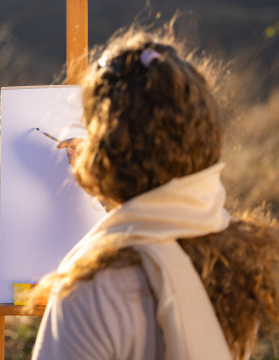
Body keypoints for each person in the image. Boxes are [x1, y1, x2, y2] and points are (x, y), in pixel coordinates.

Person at [29, 27, 279, 360]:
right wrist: (116, 197)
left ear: (102, 152)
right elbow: (161, 214)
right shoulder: (235, 260)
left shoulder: (92, 293)